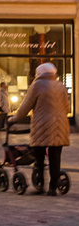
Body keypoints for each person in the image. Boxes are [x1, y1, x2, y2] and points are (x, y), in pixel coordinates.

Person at [12, 62, 71, 196]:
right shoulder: (60, 86)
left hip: (42, 127)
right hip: (60, 127)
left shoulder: (37, 85)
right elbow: (67, 108)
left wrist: (13, 119)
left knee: (39, 156)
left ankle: (41, 184)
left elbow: (25, 107)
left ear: (39, 73)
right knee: (55, 158)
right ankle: (53, 188)